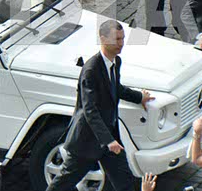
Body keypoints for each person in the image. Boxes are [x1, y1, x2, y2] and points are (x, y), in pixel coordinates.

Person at [45, 20, 154, 191]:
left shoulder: (116, 62)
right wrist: (108, 140)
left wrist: (139, 97)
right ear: (103, 39)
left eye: (122, 38)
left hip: (109, 139)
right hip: (87, 141)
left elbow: (115, 87)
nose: (121, 43)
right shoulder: (91, 70)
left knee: (125, 182)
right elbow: (90, 110)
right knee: (61, 185)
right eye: (117, 39)